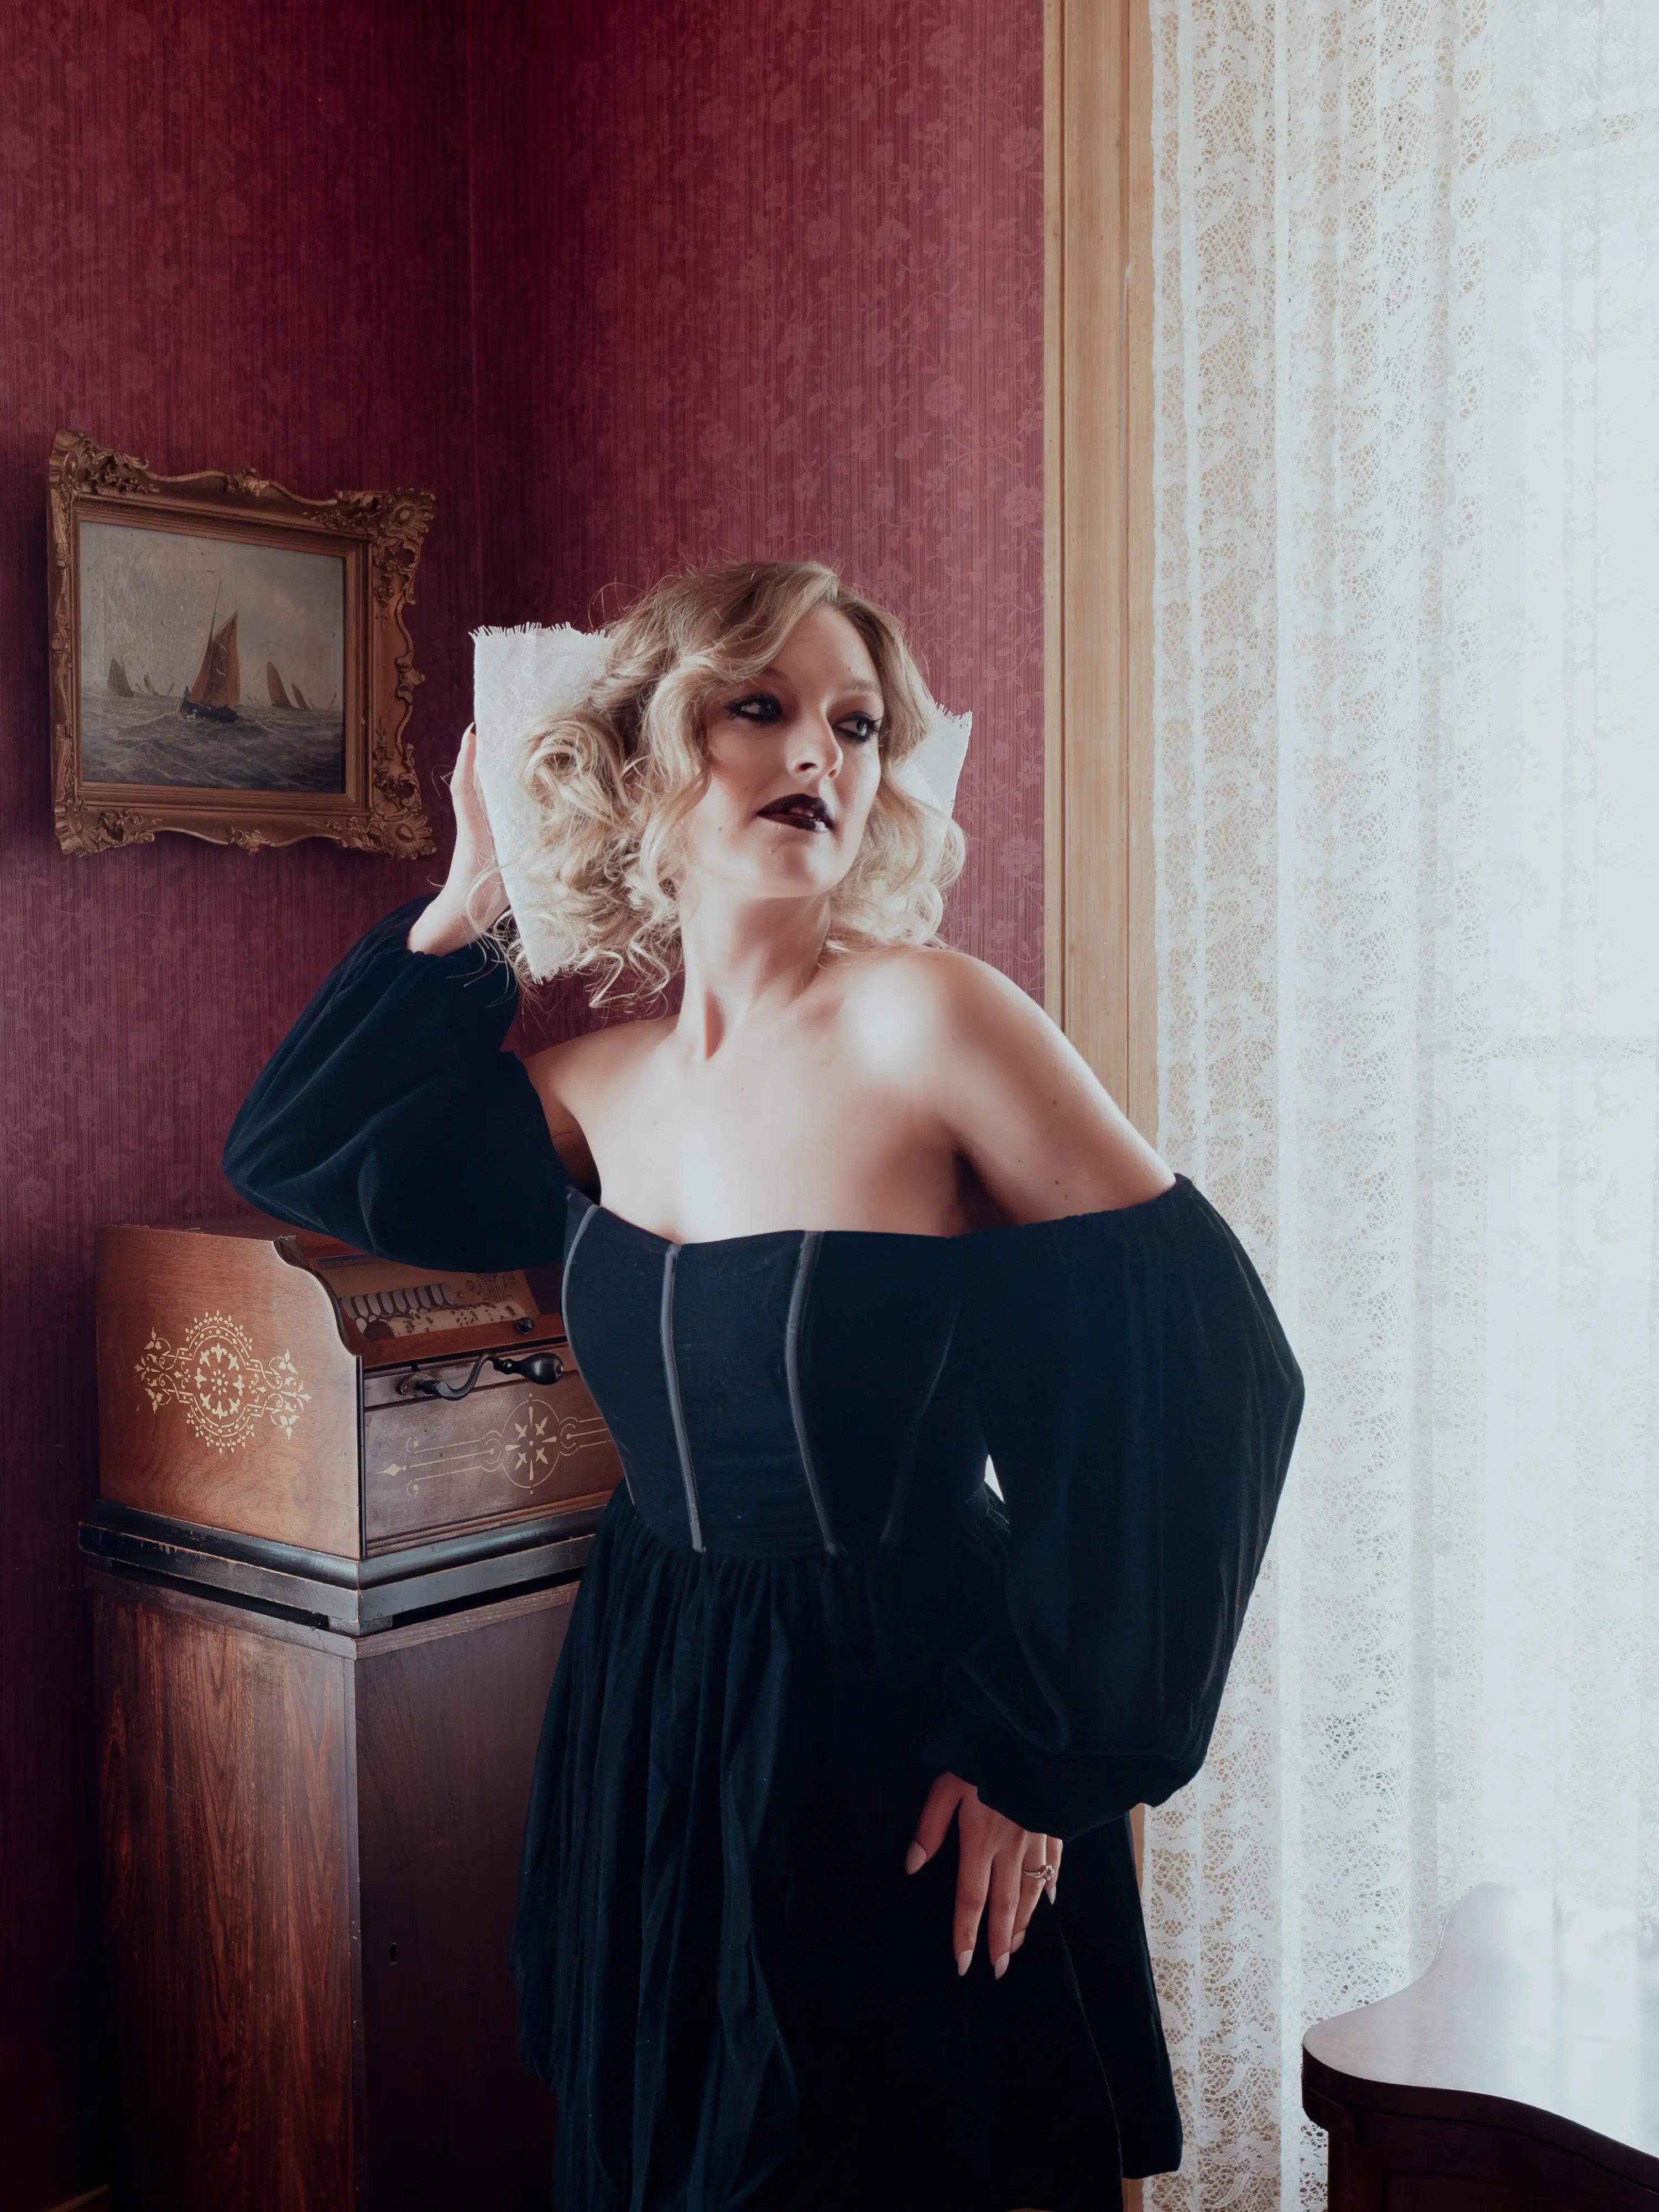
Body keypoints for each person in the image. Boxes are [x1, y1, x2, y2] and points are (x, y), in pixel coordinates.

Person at [223, 560, 1302, 2212]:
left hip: (900, 1714)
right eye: (762, 708)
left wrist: (1048, 1760)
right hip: (659, 1696)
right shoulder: (598, 1084)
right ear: (654, 753)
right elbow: (294, 1152)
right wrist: (472, 900)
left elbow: (1206, 1375)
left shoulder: (931, 1022)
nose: (826, 757)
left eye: (858, 725)